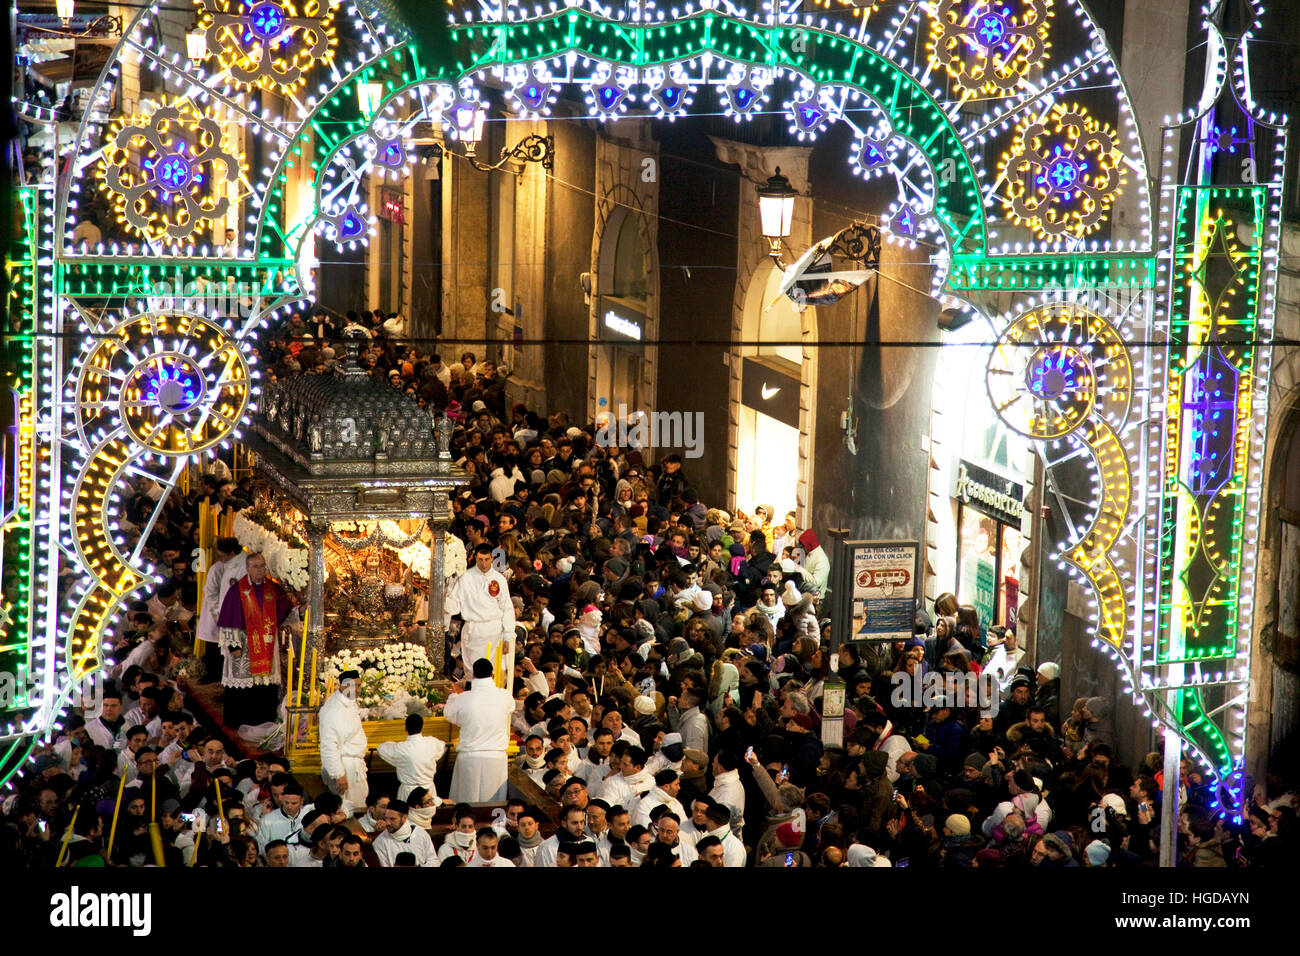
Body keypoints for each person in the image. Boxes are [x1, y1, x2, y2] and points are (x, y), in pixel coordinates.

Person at [215, 552, 295, 726]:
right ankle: (240, 720)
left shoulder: (273, 589)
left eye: (262, 566)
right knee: (243, 684)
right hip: (244, 645)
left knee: (264, 685)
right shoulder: (237, 589)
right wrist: (233, 645)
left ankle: (263, 719)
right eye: (256, 567)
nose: (260, 570)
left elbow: (285, 608)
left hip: (266, 644)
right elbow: (229, 619)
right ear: (248, 568)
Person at [443, 659, 515, 802]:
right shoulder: (504, 695)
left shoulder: (462, 699)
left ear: (473, 675)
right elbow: (510, 707)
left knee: (466, 806)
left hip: (470, 757)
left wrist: (451, 697)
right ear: (493, 675)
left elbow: (449, 715)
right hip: (495, 757)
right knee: (493, 806)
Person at [446, 544, 517, 683]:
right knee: (472, 671)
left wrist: (508, 635)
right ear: (475, 558)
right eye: (480, 559)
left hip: (494, 631)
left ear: (492, 558)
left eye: (487, 559)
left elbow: (507, 608)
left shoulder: (499, 579)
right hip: (474, 629)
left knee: (493, 671)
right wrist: (443, 596)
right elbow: (454, 605)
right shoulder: (466, 577)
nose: (484, 563)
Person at [318, 670, 370, 815]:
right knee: (347, 810)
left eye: (359, 686)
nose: (357, 690)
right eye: (353, 686)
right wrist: (338, 774)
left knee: (357, 806)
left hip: (353, 765)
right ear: (341, 686)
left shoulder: (349, 703)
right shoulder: (333, 710)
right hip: (344, 766)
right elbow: (329, 745)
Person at [376, 713, 446, 803]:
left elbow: (381, 748)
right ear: (422, 727)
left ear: (405, 728)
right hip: (426, 788)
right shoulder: (432, 743)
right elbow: (443, 746)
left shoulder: (400, 748)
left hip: (410, 791)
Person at [372, 799, 436, 867]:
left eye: (392, 819)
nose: (387, 823)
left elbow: (434, 861)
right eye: (386, 818)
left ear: (404, 818)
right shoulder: (380, 842)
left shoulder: (422, 834)